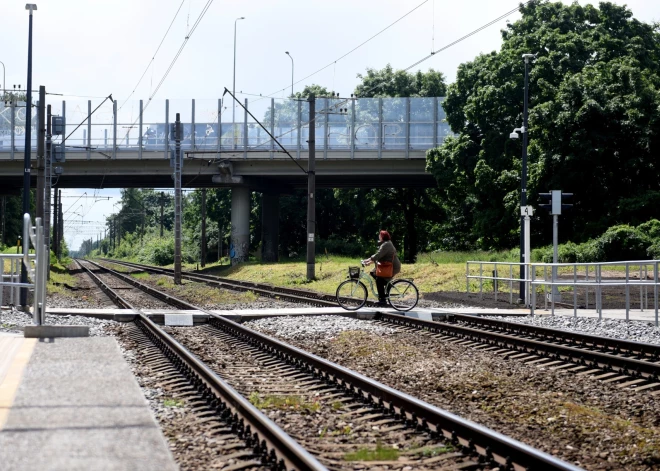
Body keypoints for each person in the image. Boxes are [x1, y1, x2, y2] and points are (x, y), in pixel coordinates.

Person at [362, 230, 401, 306]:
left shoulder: (386, 244)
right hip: (387, 265)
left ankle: (383, 299)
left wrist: (368, 260)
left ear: (382, 236)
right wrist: (368, 261)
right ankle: (387, 288)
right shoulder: (385, 244)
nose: (378, 237)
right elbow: (379, 256)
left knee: (379, 280)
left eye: (379, 235)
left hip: (392, 267)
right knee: (373, 273)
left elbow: (378, 255)